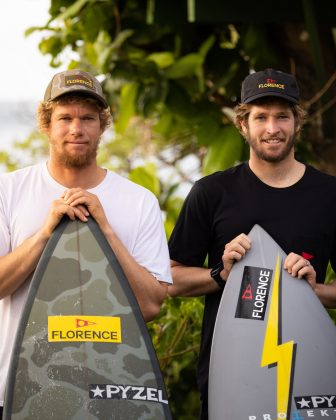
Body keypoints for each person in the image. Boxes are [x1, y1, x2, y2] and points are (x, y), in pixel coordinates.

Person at [0, 69, 172, 417]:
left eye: (88, 118)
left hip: (111, 391)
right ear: (46, 124)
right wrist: (45, 233)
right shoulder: (9, 191)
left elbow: (152, 305)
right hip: (20, 388)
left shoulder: (138, 201)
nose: (77, 128)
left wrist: (106, 229)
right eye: (65, 118)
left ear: (102, 126)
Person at [168, 68, 336, 419]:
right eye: (260, 117)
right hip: (230, 378)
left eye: (282, 117)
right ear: (243, 124)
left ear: (297, 122)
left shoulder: (329, 195)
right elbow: (169, 279)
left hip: (310, 381)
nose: (272, 128)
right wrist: (220, 274)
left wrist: (314, 291)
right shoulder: (211, 193)